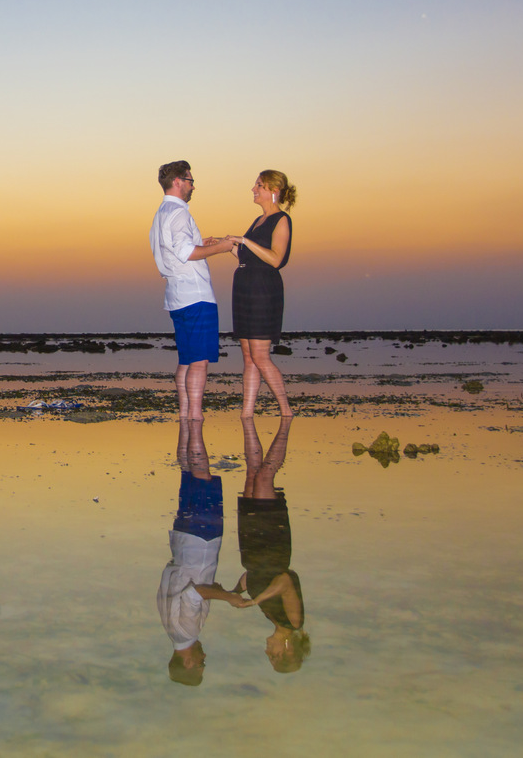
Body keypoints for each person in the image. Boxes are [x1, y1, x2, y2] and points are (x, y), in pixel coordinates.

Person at [158, 417, 244, 686]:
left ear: (187, 662)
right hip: (183, 540)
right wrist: (234, 591)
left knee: (202, 474)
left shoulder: (189, 631)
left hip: (202, 542)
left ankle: (194, 419)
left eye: (201, 663)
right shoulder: (170, 628)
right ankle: (186, 414)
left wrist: (229, 598)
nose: (205, 657)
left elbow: (196, 592)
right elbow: (194, 587)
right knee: (187, 471)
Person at [151, 161, 235, 420]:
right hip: (196, 295)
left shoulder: (161, 214)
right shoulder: (179, 214)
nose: (192, 185)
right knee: (199, 361)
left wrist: (202, 243)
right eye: (189, 180)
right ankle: (196, 417)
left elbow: (175, 251)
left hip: (176, 297)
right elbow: (187, 253)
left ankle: (186, 414)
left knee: (186, 360)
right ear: (177, 181)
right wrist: (221, 247)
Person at [233, 412, 311, 673]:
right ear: (287, 649)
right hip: (272, 544)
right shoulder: (294, 621)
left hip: (253, 546)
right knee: (266, 477)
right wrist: (254, 601)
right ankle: (286, 422)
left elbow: (255, 578)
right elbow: (284, 582)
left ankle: (248, 416)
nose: (267, 651)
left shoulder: (271, 617)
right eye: (273, 655)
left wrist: (236, 592)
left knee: (252, 473)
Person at [225, 170, 297, 418]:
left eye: (259, 185)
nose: (253, 189)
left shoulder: (281, 219)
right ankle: (247, 412)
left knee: (260, 355)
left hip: (263, 290)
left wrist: (244, 240)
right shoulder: (257, 221)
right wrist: (228, 247)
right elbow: (249, 256)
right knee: (248, 356)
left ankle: (286, 410)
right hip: (245, 287)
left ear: (273, 191)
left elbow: (276, 259)